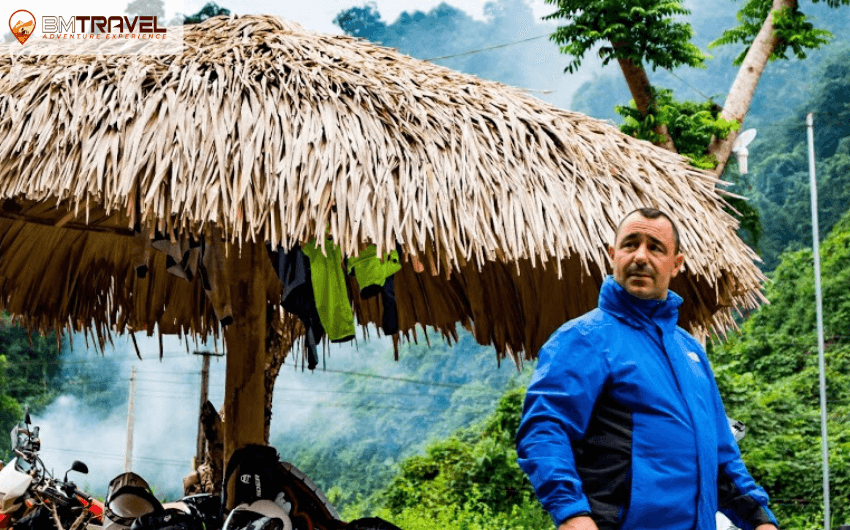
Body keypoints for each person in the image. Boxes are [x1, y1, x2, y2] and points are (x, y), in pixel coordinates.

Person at [515, 208, 779, 530]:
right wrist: (571, 513)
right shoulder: (583, 338)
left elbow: (722, 455)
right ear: (613, 255)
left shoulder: (690, 350)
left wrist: (760, 520)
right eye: (630, 244)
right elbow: (544, 429)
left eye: (655, 247)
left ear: (676, 264)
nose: (641, 256)